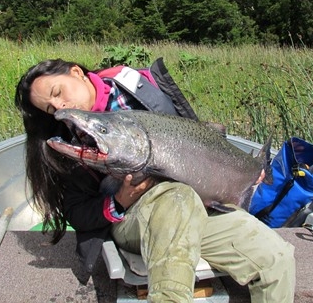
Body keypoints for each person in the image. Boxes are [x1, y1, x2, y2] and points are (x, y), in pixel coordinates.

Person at [15, 58, 296, 302]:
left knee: (276, 259)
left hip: (197, 208)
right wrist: (118, 200)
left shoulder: (139, 87)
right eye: (51, 109)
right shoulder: (70, 142)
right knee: (177, 197)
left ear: (76, 72)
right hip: (134, 219)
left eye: (57, 92)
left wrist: (241, 173)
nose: (60, 106)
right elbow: (77, 212)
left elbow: (200, 139)